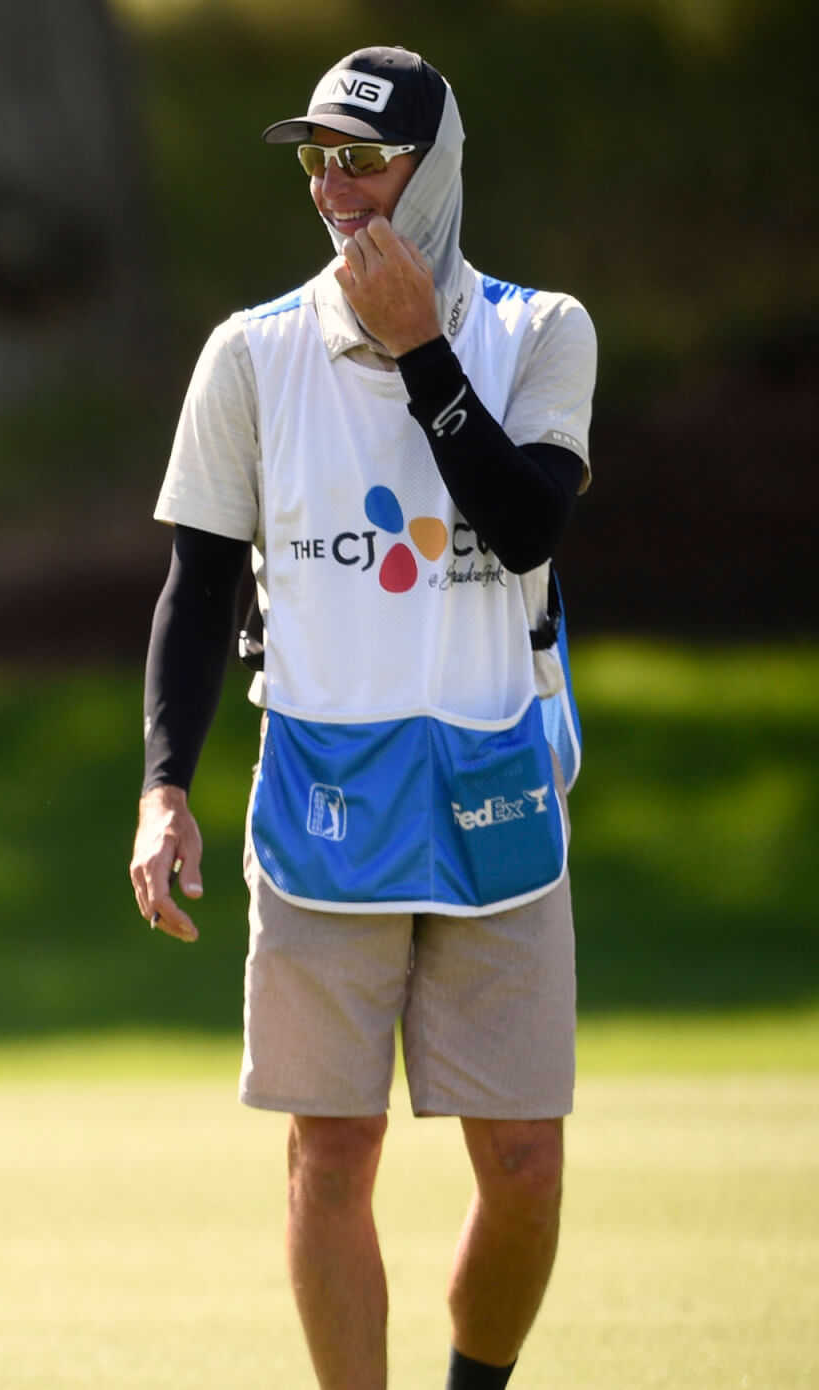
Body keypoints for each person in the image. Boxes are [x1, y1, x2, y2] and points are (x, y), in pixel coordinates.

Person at [128, 47, 594, 1390]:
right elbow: (197, 584)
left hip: (496, 790)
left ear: (432, 172)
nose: (334, 188)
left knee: (524, 1165)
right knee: (329, 1152)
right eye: (317, 159)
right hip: (324, 793)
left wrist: (422, 352)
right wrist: (166, 782)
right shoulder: (250, 353)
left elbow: (525, 527)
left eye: (363, 158)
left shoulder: (539, 332)